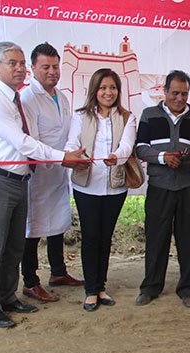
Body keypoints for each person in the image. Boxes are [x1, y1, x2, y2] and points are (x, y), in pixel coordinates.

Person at [0, 41, 88, 328]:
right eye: (13, 63)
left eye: (21, 63)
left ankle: (7, 297)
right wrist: (63, 157)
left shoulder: (14, 98)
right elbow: (24, 142)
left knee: (13, 246)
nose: (19, 69)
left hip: (19, 179)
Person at [133, 70, 190, 308]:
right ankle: (150, 287)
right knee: (156, 239)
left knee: (187, 238)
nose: (180, 98)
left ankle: (188, 288)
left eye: (184, 93)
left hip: (187, 186)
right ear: (165, 91)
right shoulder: (149, 115)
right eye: (175, 92)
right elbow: (140, 148)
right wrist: (162, 157)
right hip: (159, 186)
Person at [64, 68, 137, 312]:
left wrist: (117, 156)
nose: (108, 92)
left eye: (113, 87)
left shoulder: (127, 117)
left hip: (115, 187)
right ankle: (90, 290)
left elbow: (127, 145)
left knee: (105, 238)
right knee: (91, 237)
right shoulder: (80, 116)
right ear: (94, 90)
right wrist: (75, 155)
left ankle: (101, 286)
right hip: (86, 186)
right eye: (103, 87)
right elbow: (72, 143)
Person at [20, 42, 84, 303]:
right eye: (45, 67)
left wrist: (72, 154)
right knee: (32, 228)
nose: (52, 72)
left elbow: (69, 132)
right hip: (39, 172)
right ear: (32, 68)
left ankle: (58, 272)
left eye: (55, 66)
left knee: (58, 221)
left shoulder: (63, 96)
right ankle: (30, 281)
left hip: (60, 171)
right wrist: (62, 158)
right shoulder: (28, 98)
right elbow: (32, 141)